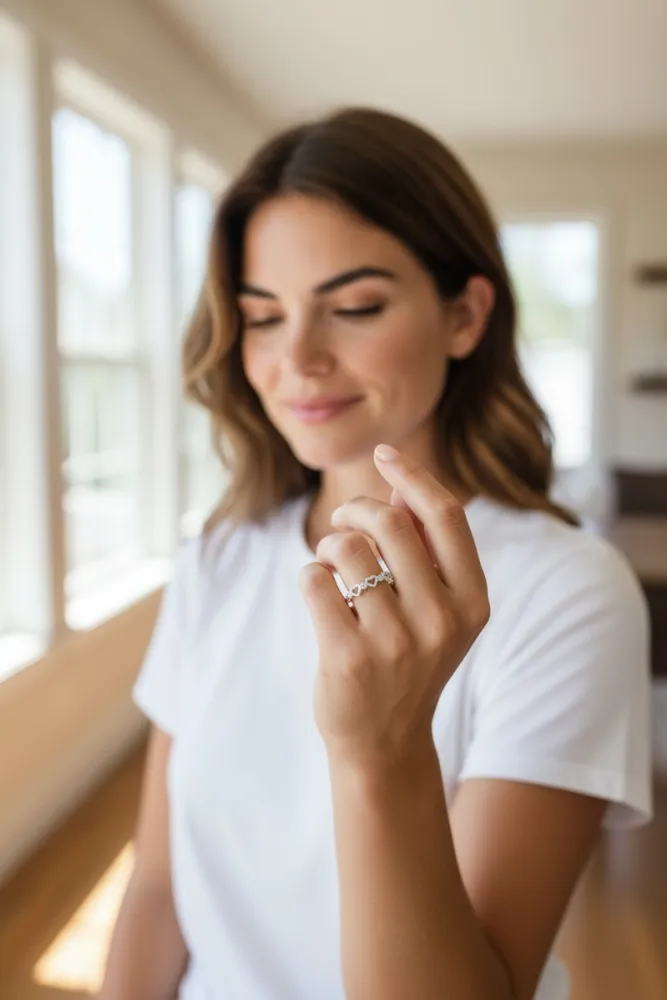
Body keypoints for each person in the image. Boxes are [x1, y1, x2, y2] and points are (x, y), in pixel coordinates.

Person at [98, 108, 652, 1000]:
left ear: (465, 316)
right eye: (262, 317)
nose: (298, 360)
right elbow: (160, 892)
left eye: (353, 307)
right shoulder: (220, 557)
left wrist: (381, 752)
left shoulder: (567, 592)